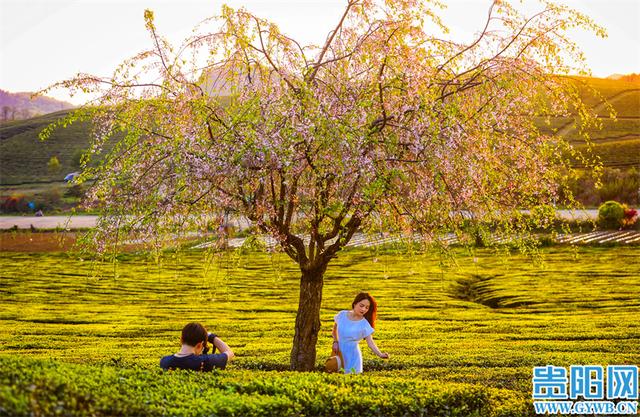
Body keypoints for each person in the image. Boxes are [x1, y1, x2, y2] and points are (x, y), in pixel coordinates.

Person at [332, 292, 389, 374]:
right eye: (361, 306)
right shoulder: (342, 315)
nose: (363, 309)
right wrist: (335, 342)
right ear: (355, 304)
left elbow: (371, 343)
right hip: (338, 354)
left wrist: (380, 354)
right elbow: (334, 331)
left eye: (367, 307)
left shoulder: (365, 324)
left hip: (353, 357)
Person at [160, 322, 234, 371]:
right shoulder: (205, 361)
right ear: (199, 345)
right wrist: (211, 337)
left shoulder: (164, 361)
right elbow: (230, 353)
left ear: (181, 339)